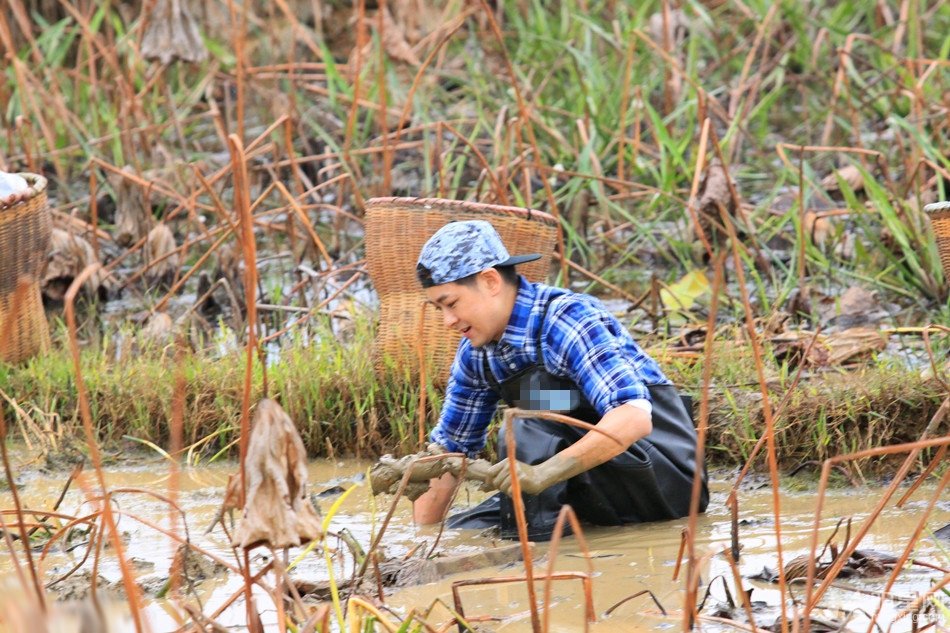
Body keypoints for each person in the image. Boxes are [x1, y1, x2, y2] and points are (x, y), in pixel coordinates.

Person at [413, 220, 708, 541]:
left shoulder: (566, 318)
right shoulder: (475, 355)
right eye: (438, 308)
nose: (447, 321)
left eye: (451, 304)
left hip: (663, 481)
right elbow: (449, 455)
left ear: (490, 281)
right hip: (580, 485)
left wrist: (544, 473)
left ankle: (536, 559)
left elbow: (633, 416)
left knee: (524, 424)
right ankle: (531, 543)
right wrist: (420, 540)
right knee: (461, 532)